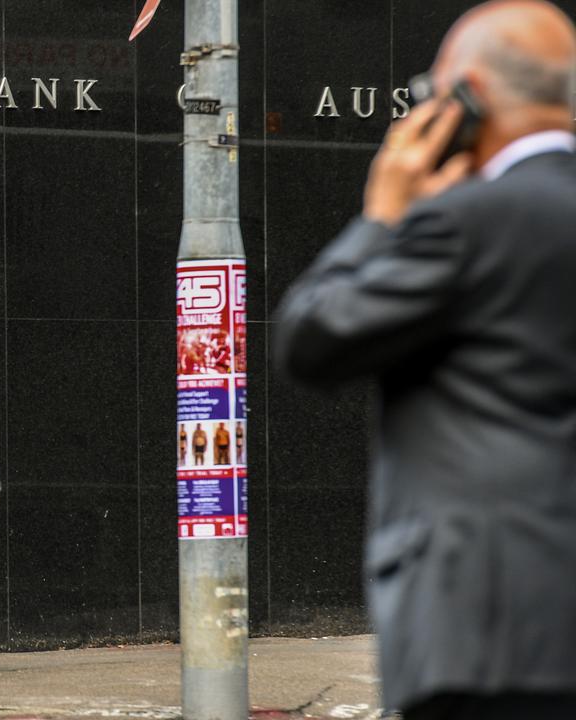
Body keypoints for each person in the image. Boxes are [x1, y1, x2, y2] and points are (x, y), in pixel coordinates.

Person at [274, 2, 576, 717]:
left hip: (484, 635)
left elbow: (311, 342)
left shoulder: (468, 223)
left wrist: (383, 216)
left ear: (464, 95)